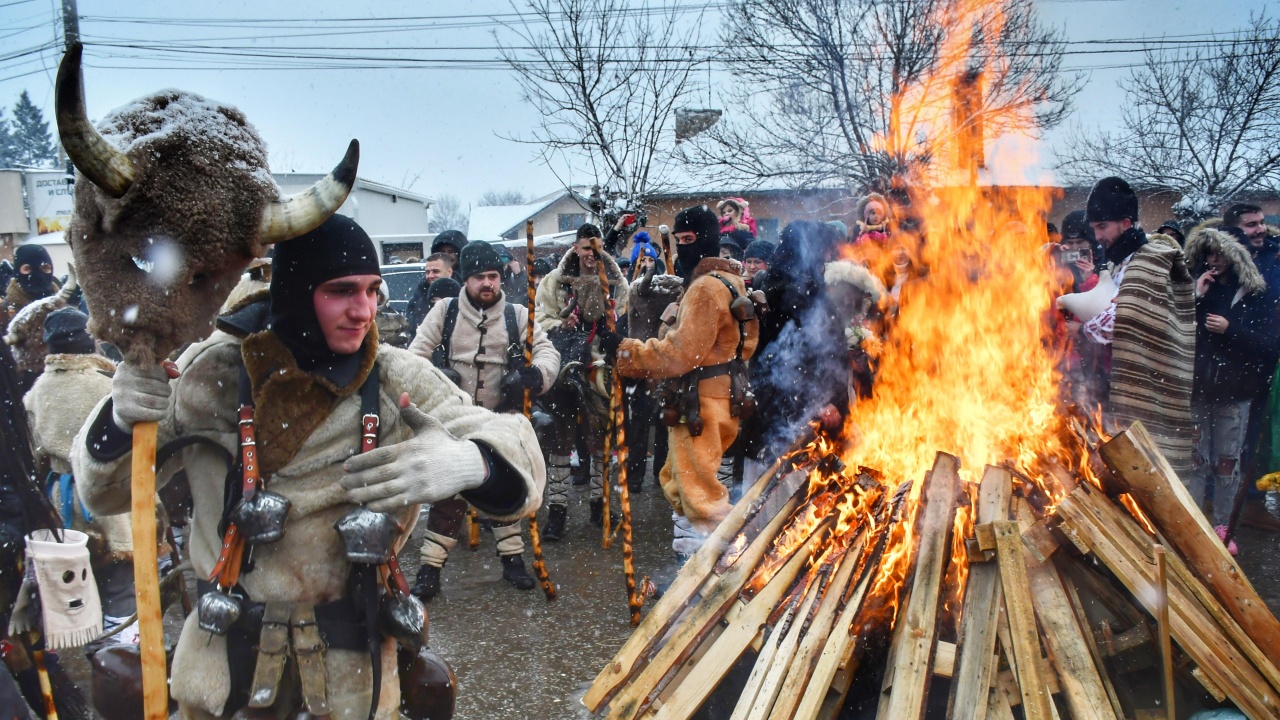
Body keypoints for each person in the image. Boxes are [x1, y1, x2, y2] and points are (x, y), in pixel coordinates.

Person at [71, 215, 544, 718]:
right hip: (224, 669)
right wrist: (119, 418)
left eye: (372, 291)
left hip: (354, 677)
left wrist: (473, 462)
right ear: (298, 290)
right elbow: (104, 493)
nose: (364, 311)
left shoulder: (393, 376)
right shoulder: (209, 372)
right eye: (342, 291)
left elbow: (513, 442)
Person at [600, 205, 758, 558]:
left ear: (709, 241)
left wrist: (625, 351)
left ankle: (708, 574)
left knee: (698, 496)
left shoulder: (705, 289)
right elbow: (743, 345)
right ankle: (694, 567)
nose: (685, 247)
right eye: (680, 239)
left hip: (701, 404)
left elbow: (679, 354)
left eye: (691, 240)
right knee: (682, 483)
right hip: (721, 396)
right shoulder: (731, 281)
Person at [408, 241, 560, 597]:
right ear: (466, 279)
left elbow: (546, 351)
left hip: (500, 421)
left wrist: (534, 376)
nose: (488, 283)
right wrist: (435, 374)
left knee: (504, 488)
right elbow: (415, 355)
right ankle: (429, 569)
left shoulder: (519, 315)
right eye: (480, 277)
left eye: (493, 276)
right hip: (453, 421)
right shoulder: (444, 311)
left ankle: (512, 562)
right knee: (450, 493)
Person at [1077, 177, 1195, 481]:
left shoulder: (1148, 261)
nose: (1097, 235)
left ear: (1126, 222)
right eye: (1095, 227)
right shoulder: (1119, 261)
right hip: (1115, 380)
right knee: (1125, 469)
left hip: (1148, 380)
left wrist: (1082, 328)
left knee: (1151, 472)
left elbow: (1126, 318)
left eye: (1103, 227)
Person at [1185, 226, 1279, 554]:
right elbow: (1176, 331)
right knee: (1196, 459)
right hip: (1197, 390)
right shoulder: (1193, 285)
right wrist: (1194, 296)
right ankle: (1193, 520)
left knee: (1226, 461)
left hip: (1235, 392)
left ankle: (1223, 524)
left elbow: (1269, 345)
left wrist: (1231, 330)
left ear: (1233, 253)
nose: (1213, 260)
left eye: (1219, 253)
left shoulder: (1256, 294)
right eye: (1207, 253)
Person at [534, 224, 629, 533]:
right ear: (576, 248)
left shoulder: (613, 282)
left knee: (601, 438)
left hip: (599, 368)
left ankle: (599, 505)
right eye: (587, 248)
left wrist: (612, 327)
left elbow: (625, 315)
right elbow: (539, 320)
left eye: (597, 248)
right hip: (563, 365)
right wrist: (562, 322)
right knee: (562, 438)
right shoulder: (553, 282)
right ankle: (558, 508)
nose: (592, 254)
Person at [742, 221, 848, 468]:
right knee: (786, 490)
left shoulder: (785, 287)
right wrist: (822, 401)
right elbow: (789, 359)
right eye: (824, 252)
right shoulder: (793, 295)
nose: (828, 259)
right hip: (794, 415)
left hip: (779, 409)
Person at [824, 260, 886, 402]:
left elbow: (882, 351)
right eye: (843, 294)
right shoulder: (827, 317)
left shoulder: (872, 315)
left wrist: (865, 355)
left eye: (852, 294)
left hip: (869, 389)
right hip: (837, 387)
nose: (847, 301)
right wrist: (846, 357)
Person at [2, 245, 60, 326]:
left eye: (45, 268)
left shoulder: (64, 307)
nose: (38, 275)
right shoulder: (4, 312)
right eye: (28, 269)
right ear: (17, 273)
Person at [405, 252, 458, 333]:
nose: (430, 276)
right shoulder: (419, 297)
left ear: (449, 272)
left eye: (435, 271)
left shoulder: (462, 297)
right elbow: (413, 330)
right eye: (427, 272)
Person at [1058, 210, 1102, 293]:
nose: (1075, 247)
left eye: (1080, 242)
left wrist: (1090, 279)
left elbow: (1108, 299)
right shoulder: (1060, 258)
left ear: (1091, 241)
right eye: (1070, 243)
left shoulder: (1105, 261)